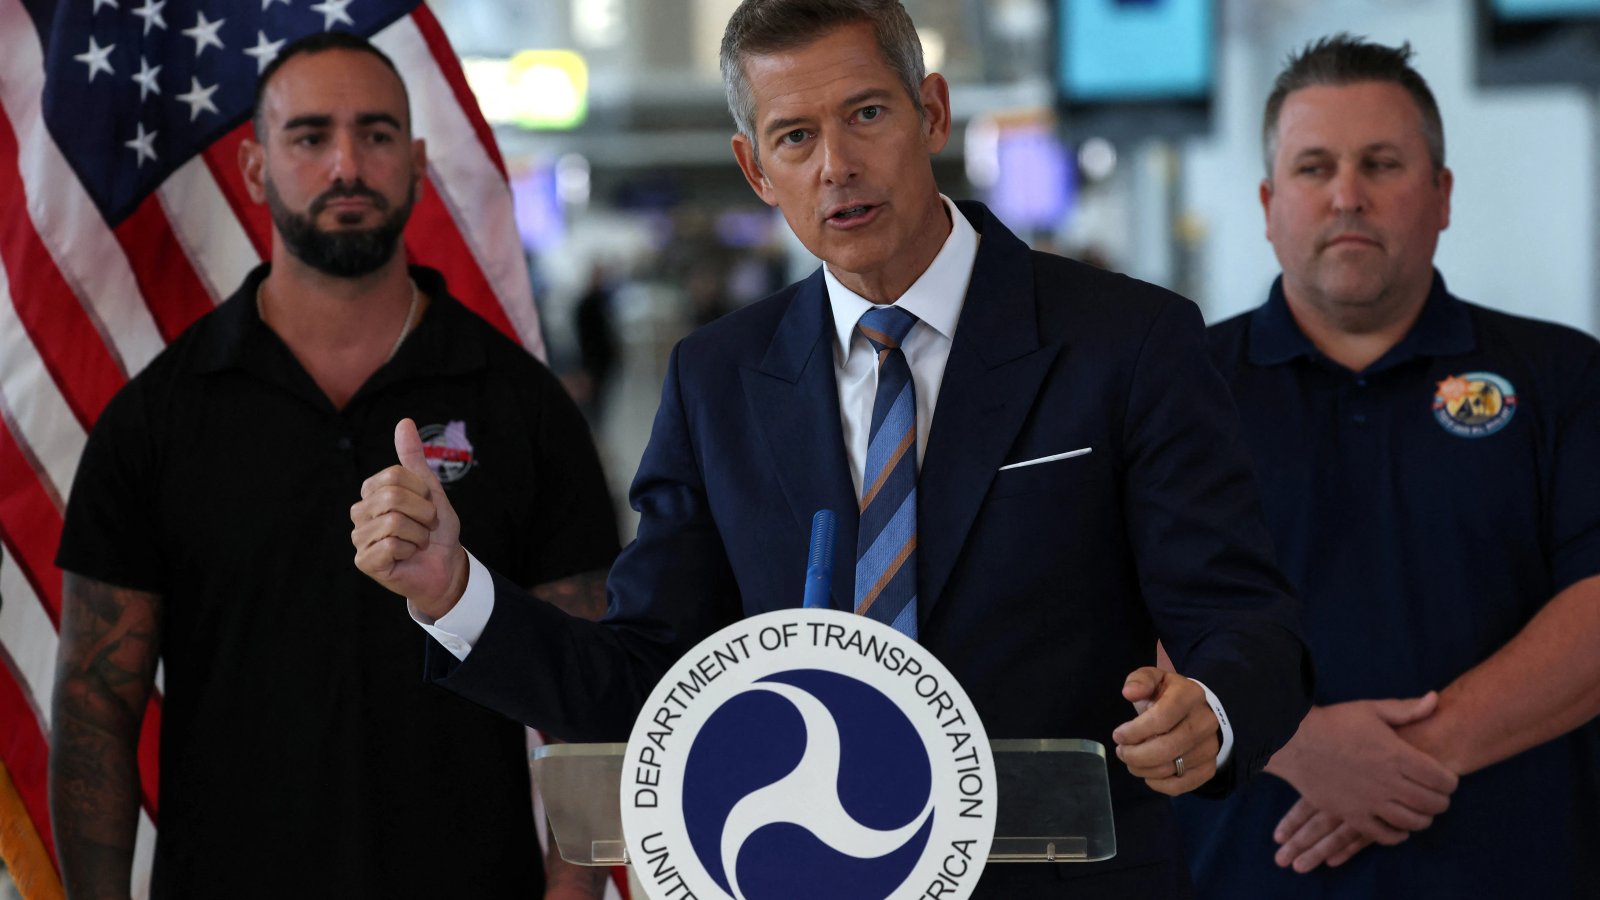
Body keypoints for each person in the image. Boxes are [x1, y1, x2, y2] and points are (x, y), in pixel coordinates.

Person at [353, 2, 1312, 895]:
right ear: (755, 168)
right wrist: (454, 591)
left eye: (865, 115)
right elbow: (648, 678)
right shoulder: (718, 379)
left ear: (930, 112)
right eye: (796, 136)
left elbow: (1244, 620)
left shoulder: (1126, 343)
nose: (836, 166)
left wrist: (1213, 714)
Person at [49, 33, 619, 900]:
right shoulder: (158, 418)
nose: (346, 163)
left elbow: (590, 691)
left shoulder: (523, 406)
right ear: (252, 168)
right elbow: (97, 707)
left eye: (378, 134)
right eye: (310, 136)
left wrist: (574, 895)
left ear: (419, 162)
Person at [1174, 34, 1600, 898]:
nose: (1347, 196)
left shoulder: (1566, 377)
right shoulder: (1176, 389)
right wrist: (1294, 742)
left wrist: (1406, 761)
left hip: (1519, 871)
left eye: (1382, 163)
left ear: (1442, 196)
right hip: (1241, 875)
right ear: (1266, 202)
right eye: (1314, 167)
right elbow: (1110, 610)